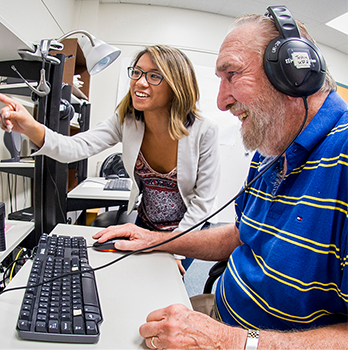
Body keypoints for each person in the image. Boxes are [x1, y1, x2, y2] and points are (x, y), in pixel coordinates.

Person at [91, 7, 348, 350]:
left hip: (250, 340)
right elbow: (242, 235)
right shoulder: (271, 148)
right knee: (114, 318)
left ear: (292, 71)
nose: (221, 100)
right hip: (223, 316)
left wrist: (231, 341)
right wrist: (154, 240)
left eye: (232, 75)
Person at [0, 45, 221, 274]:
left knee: (167, 286)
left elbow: (202, 204)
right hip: (145, 225)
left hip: (188, 232)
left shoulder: (205, 132)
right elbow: (75, 147)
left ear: (177, 85)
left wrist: (175, 250)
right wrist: (30, 127)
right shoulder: (126, 120)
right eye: (137, 72)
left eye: (154, 76)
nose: (140, 82)